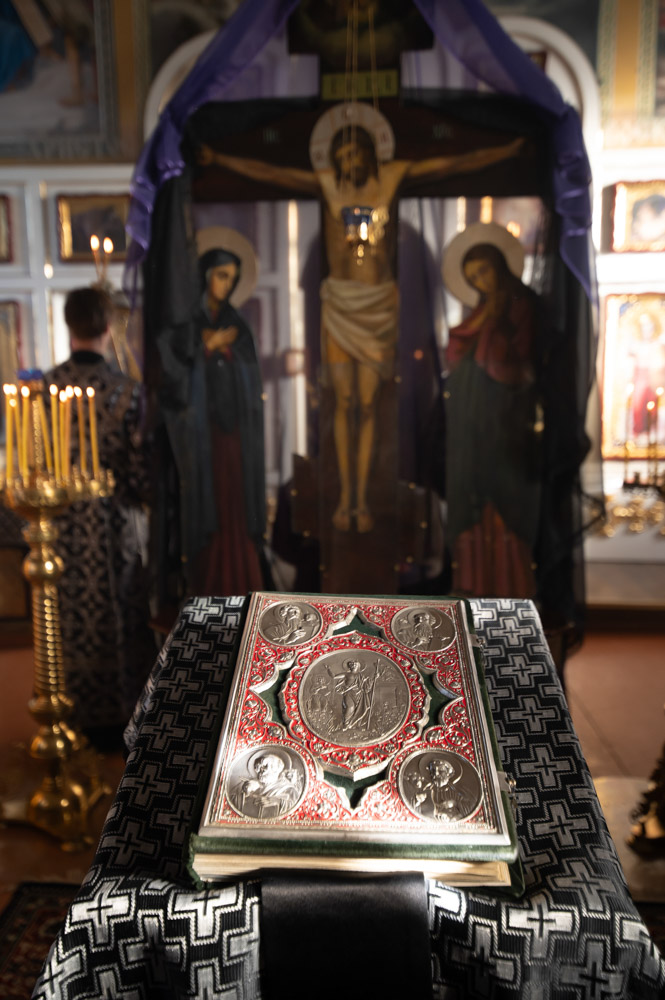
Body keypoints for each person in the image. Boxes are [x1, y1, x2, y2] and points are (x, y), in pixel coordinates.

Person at [197, 107, 523, 533]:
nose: (349, 162)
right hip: (339, 305)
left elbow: (451, 164)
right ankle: (344, 498)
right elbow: (272, 173)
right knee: (342, 402)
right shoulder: (326, 184)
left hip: (378, 306)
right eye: (341, 156)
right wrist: (220, 159)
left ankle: (362, 498)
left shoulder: (393, 176)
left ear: (371, 152)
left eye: (354, 153)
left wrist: (505, 152)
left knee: (369, 404)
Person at [47, 286, 156, 749]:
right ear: (109, 327)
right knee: (122, 613)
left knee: (67, 616)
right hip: (117, 524)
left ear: (68, 325)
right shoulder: (127, 390)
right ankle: (124, 719)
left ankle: (72, 715)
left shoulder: (46, 389)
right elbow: (142, 474)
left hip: (62, 525)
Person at [443, 225, 541, 599]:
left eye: (484, 272)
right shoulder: (483, 311)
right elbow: (459, 351)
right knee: (472, 495)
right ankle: (474, 584)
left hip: (507, 421)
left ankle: (511, 587)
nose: (481, 283)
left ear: (500, 265)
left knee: (505, 497)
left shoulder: (522, 305)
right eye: (472, 279)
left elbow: (524, 362)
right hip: (472, 421)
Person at [190, 246, 266, 596]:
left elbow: (250, 373)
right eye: (221, 276)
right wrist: (207, 349)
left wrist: (222, 349)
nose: (226, 284)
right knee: (209, 500)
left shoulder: (237, 324)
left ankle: (239, 580)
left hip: (232, 431)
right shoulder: (190, 321)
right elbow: (179, 370)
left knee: (233, 500)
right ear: (206, 275)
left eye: (231, 279)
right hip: (200, 435)